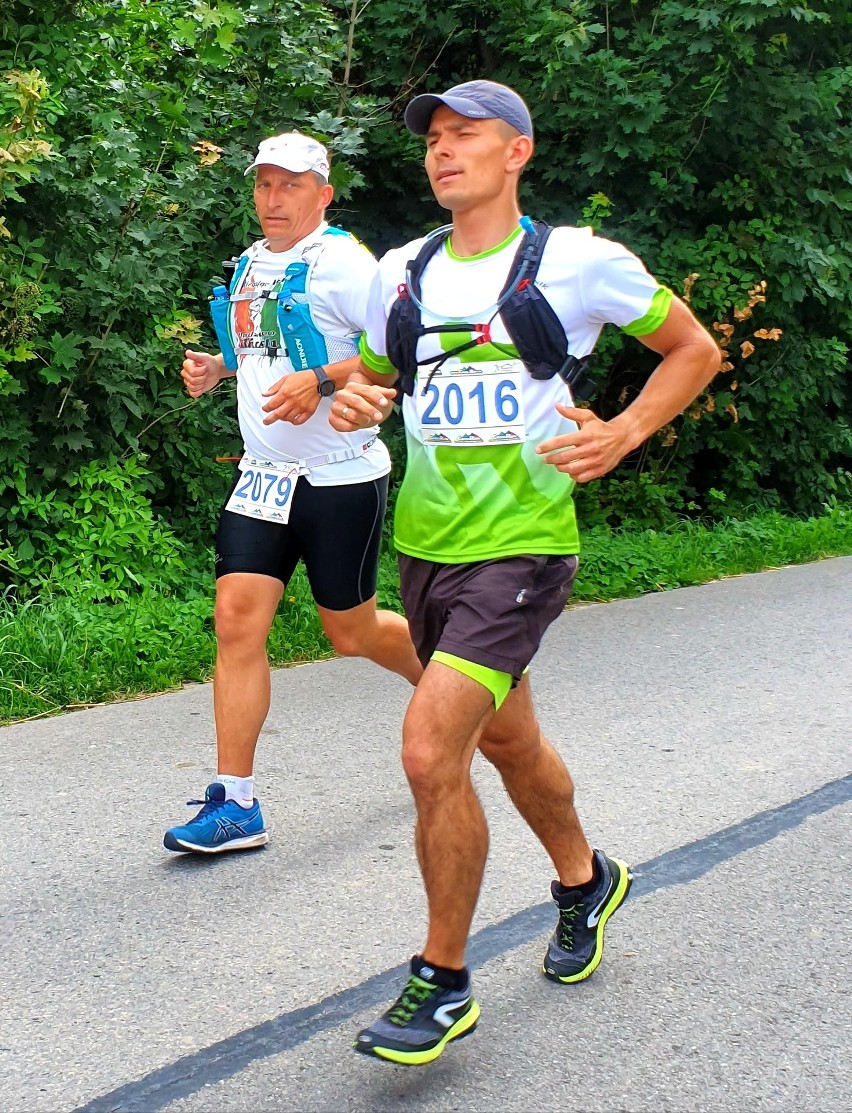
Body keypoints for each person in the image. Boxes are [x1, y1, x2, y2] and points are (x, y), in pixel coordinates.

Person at [329, 80, 721, 1064]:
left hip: (524, 547)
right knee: (509, 744)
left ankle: (443, 984)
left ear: (519, 154)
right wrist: (356, 402)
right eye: (436, 138)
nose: (444, 151)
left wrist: (626, 430)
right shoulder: (402, 273)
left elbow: (693, 349)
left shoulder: (577, 264)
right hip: (427, 551)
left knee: (430, 751)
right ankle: (585, 879)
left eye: (469, 136)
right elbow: (378, 375)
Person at [164, 132, 421, 854]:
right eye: (264, 185)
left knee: (352, 631)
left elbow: (397, 357)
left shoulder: (345, 263)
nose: (274, 199)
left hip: (340, 476)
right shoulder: (250, 262)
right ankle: (236, 801)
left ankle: (446, 685)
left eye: (290, 186)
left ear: (324, 194)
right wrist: (219, 367)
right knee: (236, 621)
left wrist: (326, 380)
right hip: (264, 476)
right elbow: (265, 349)